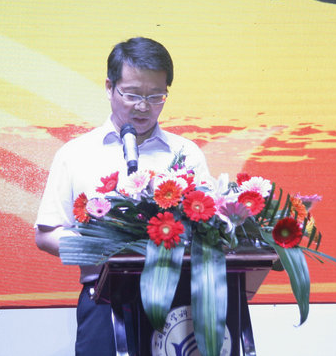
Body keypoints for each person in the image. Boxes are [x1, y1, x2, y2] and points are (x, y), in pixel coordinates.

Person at [34, 36, 209, 356]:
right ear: (109, 87)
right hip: (104, 302)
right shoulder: (75, 154)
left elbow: (207, 225)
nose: (143, 106)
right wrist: (105, 247)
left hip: (177, 304)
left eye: (156, 96)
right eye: (132, 94)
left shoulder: (186, 154)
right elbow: (46, 234)